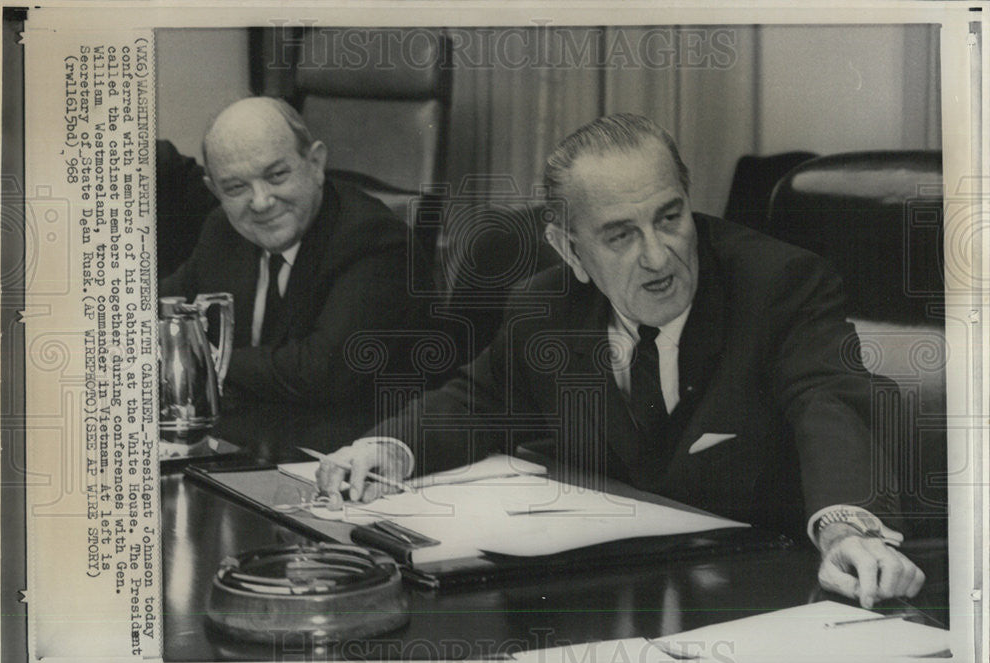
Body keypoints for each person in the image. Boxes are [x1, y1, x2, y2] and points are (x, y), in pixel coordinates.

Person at [317, 113, 925, 609]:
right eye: (620, 235)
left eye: (670, 217)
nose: (658, 257)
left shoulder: (778, 284)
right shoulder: (543, 307)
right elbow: (477, 399)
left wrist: (847, 530)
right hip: (610, 600)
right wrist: (386, 449)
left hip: (767, 593)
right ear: (570, 249)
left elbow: (831, 402)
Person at [160, 97, 432, 416]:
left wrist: (192, 353)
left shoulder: (375, 239)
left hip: (354, 447)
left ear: (315, 164)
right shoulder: (224, 230)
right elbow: (160, 309)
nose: (261, 202)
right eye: (235, 187)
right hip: (254, 439)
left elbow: (317, 373)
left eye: (276, 176)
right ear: (214, 190)